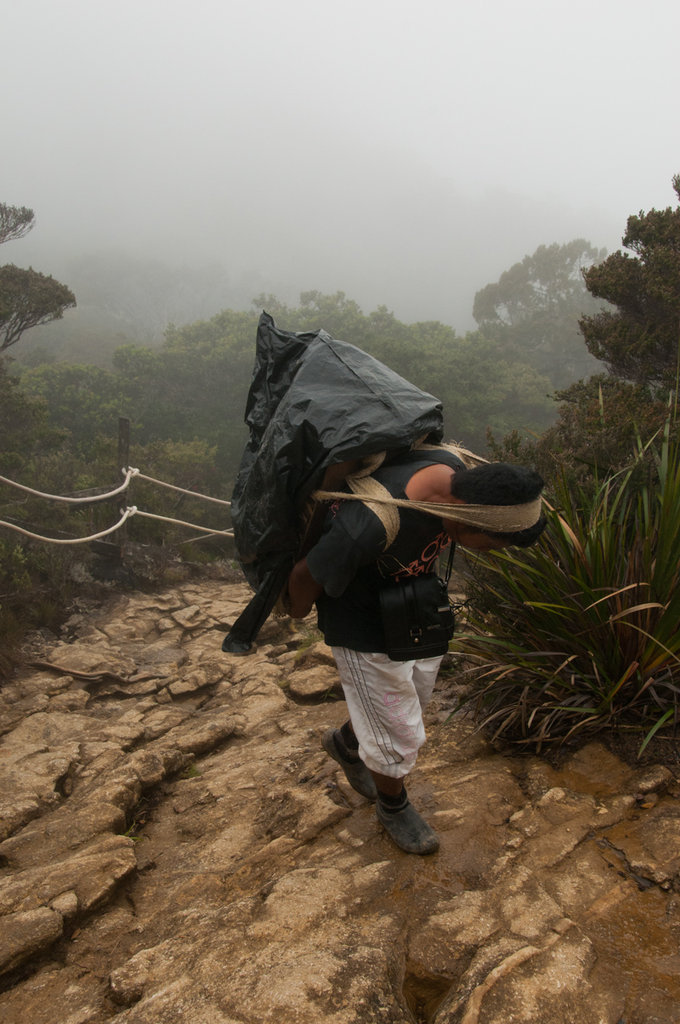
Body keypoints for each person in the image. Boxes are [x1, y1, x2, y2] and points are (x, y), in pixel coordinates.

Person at [286, 450, 546, 855]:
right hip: (363, 627)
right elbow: (305, 576)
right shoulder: (370, 524)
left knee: (412, 697)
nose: (492, 553)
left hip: (412, 609)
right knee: (397, 729)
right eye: (493, 545)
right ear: (465, 517)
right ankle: (393, 806)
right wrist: (296, 612)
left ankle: (346, 743)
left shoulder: (453, 473)